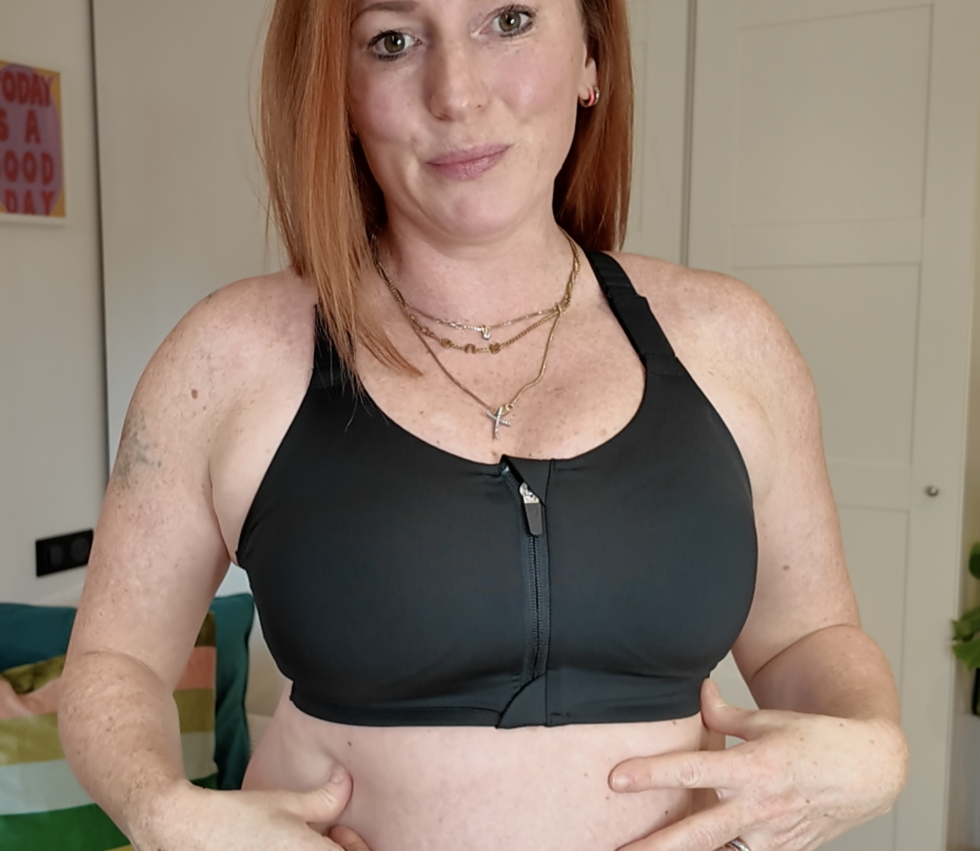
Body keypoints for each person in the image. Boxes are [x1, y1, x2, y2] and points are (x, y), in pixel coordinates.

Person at [58, 0, 909, 849]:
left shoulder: (731, 341)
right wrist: (162, 813)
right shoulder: (229, 356)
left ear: (591, 59)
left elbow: (808, 637)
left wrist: (875, 749)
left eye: (508, 21)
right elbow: (114, 663)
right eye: (393, 41)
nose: (456, 94)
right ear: (340, 92)